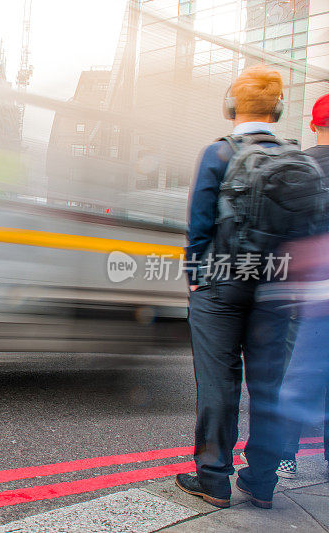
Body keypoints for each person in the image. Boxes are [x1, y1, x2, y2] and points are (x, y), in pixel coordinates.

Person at [175, 65, 295, 509]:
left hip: (222, 286)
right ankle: (262, 481)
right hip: (277, 287)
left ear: (231, 107)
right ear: (278, 109)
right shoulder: (293, 157)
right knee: (269, 387)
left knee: (219, 384)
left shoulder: (217, 154)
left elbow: (198, 226)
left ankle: (213, 480)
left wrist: (195, 279)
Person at [271, 94, 329, 478]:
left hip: (307, 284)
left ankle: (286, 455)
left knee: (294, 370)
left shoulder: (299, 164)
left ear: (313, 125)